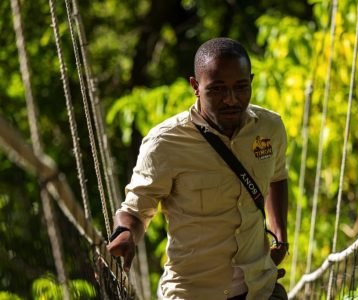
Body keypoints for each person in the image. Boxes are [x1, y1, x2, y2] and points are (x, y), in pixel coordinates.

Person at [107, 37, 289, 300]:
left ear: (251, 79)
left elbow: (277, 175)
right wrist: (125, 234)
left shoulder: (270, 128)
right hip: (192, 292)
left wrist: (280, 238)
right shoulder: (165, 143)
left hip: (259, 287)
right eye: (217, 90)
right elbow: (135, 209)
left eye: (241, 87)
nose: (231, 99)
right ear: (195, 86)